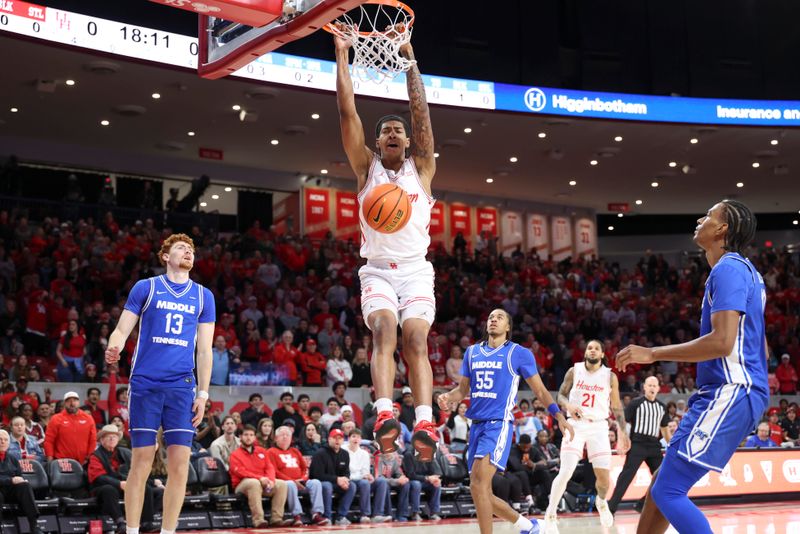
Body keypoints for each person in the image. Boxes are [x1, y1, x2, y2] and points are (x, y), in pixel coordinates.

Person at [616, 200, 767, 534]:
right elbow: (760, 346)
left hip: (730, 391)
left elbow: (722, 342)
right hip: (735, 390)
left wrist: (652, 353)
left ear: (723, 228)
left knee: (669, 491)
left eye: (710, 216)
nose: (701, 219)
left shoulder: (727, 269)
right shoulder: (748, 272)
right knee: (661, 485)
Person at [335, 20, 440, 461]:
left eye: (399, 129)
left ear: (408, 140)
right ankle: (382, 412)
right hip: (377, 269)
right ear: (378, 141)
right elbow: (348, 113)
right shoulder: (366, 169)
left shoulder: (424, 169)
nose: (394, 132)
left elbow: (421, 113)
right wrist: (342, 55)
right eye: (387, 130)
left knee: (415, 339)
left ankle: (424, 421)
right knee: (383, 329)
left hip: (416, 270)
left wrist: (409, 58)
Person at [105, 233, 216, 534]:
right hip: (146, 383)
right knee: (142, 458)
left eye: (192, 249)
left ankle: (168, 532)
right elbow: (121, 329)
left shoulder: (204, 296)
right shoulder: (147, 287)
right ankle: (131, 530)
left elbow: (205, 351)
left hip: (182, 387)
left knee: (180, 463)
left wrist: (203, 393)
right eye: (181, 248)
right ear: (165, 256)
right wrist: (114, 346)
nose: (188, 252)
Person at [438, 308, 574, 534]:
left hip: (498, 424)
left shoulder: (518, 353)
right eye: (491, 317)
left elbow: (539, 390)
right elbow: (462, 390)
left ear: (508, 327)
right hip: (476, 425)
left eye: (499, 317)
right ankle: (529, 526)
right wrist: (447, 397)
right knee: (478, 490)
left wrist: (558, 415)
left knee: (481, 485)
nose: (493, 320)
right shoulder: (472, 352)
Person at [543, 339, 630, 532]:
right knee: (565, 471)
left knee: (604, 480)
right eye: (589, 348)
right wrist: (568, 405)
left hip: (599, 427)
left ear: (602, 355)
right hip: (576, 424)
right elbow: (561, 395)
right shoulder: (574, 371)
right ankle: (550, 514)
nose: (592, 350)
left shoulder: (610, 377)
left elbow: (616, 406)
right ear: (585, 353)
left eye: (596, 348)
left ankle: (601, 502)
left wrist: (623, 432)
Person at [608, 376, 671, 515]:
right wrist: (621, 440)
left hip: (654, 445)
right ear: (644, 387)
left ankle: (642, 504)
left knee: (662, 477)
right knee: (627, 476)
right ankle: (611, 507)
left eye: (655, 385)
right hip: (638, 444)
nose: (652, 388)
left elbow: (665, 429)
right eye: (650, 385)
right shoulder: (636, 403)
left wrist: (672, 445)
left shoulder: (662, 407)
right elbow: (622, 421)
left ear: (659, 388)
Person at [89, 425, 156, 534]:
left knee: (146, 488)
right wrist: (119, 484)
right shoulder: (96, 455)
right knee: (109, 490)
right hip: (101, 488)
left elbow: (136, 471)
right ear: (101, 440)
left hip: (124, 484)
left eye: (114, 437)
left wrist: (152, 482)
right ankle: (120, 523)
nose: (112, 439)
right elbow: (99, 477)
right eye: (108, 436)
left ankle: (146, 522)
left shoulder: (124, 452)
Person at [228, 425, 291, 528]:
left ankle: (276, 519)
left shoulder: (261, 451)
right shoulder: (235, 455)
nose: (249, 437)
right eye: (246, 435)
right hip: (242, 485)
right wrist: (260, 478)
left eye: (251, 435)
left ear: (255, 437)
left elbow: (269, 467)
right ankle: (258, 520)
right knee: (254, 483)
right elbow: (241, 472)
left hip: (262, 483)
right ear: (240, 437)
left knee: (281, 484)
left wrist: (271, 480)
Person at [267, 426, 329, 526]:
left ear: (291, 438)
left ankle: (316, 514)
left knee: (316, 483)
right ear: (275, 438)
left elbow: (305, 468)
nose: (285, 437)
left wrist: (304, 479)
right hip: (285, 482)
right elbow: (274, 472)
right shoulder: (271, 452)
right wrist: (293, 481)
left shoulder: (295, 451)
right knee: (290, 484)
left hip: (300, 481)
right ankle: (297, 516)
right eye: (282, 435)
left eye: (287, 435)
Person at [308, 428, 358, 525]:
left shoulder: (345, 454)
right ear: (329, 439)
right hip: (321, 483)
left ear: (343, 441)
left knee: (352, 486)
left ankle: (341, 516)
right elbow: (317, 475)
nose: (337, 440)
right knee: (327, 486)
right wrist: (337, 479)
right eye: (335, 438)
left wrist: (345, 480)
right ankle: (327, 516)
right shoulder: (320, 453)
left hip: (337, 483)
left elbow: (346, 472)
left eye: (340, 438)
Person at [0, 429, 42, 534]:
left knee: (25, 486)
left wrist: (21, 480)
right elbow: (12, 479)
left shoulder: (13, 459)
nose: (3, 442)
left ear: (8, 443)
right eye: (0, 439)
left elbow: (19, 476)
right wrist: (10, 480)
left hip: (10, 490)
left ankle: (34, 525)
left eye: (5, 440)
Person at [345, 428, 392, 523]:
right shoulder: (343, 451)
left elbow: (365, 470)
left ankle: (377, 514)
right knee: (364, 483)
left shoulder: (364, 453)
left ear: (361, 440)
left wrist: (368, 476)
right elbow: (346, 472)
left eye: (358, 437)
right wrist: (363, 477)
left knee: (381, 481)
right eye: (353, 436)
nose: (356, 439)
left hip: (361, 479)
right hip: (350, 480)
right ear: (349, 438)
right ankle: (365, 515)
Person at [44, 391, 96, 464]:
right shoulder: (56, 418)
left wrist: (89, 457)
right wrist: (49, 458)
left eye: (75, 400)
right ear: (65, 403)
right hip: (61, 461)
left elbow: (93, 440)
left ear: (79, 402)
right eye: (69, 401)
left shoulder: (88, 418)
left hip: (83, 462)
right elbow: (49, 440)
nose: (72, 403)